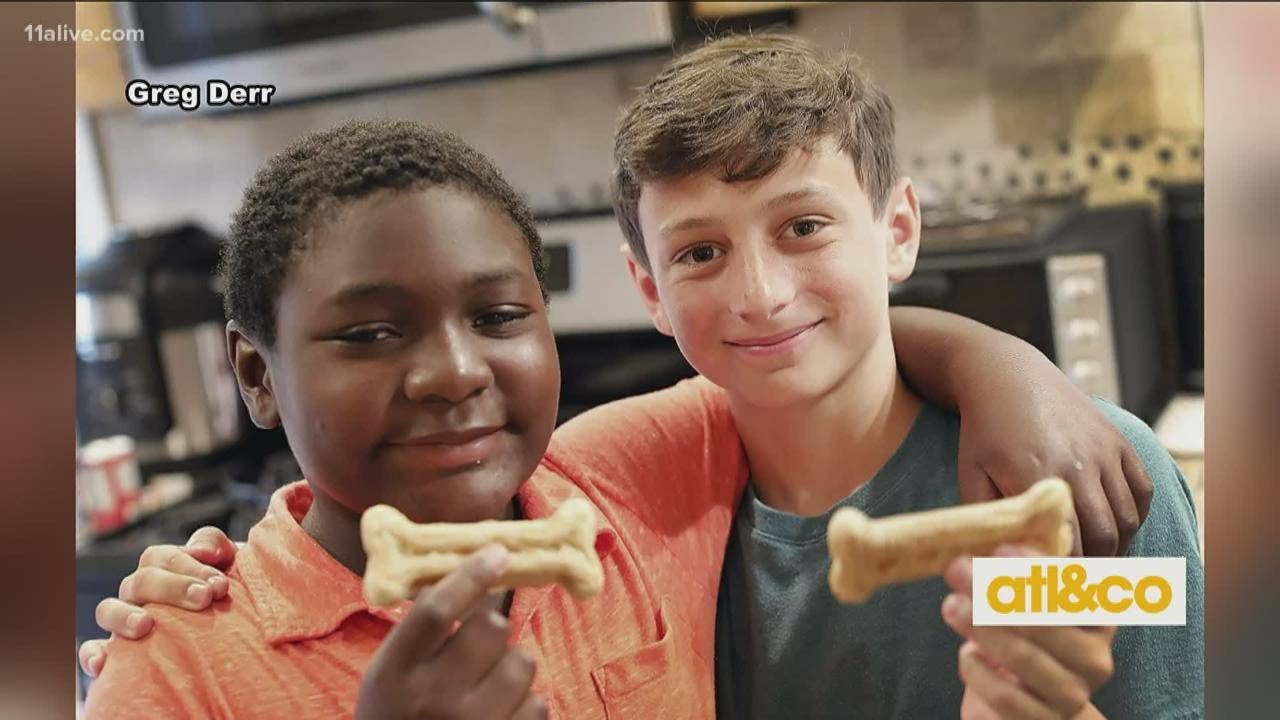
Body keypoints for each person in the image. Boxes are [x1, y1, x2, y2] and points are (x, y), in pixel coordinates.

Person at [80, 39, 1174, 717]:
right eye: (699, 252)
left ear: (895, 232)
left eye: (803, 227)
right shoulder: (178, 668)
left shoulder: (1068, 487)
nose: (756, 296)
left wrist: (1010, 368)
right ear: (647, 291)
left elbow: (1145, 622)